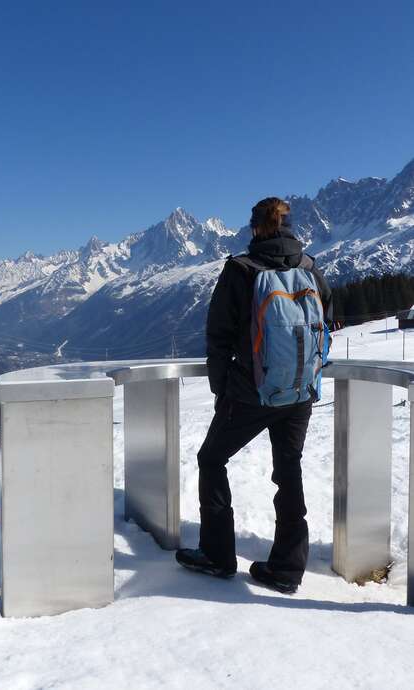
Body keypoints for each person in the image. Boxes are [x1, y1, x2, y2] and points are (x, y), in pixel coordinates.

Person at [176, 197, 333, 594]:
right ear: (290, 226)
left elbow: (219, 334)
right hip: (299, 392)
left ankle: (217, 555)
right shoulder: (310, 267)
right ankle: (286, 567)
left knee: (211, 459)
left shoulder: (241, 270)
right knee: (289, 469)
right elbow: (328, 320)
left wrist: (222, 389)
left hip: (250, 393)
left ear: (254, 227)